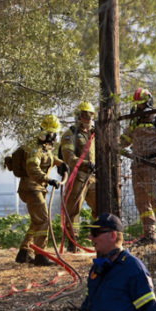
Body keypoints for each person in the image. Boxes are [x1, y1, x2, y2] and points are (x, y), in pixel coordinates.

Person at [120, 88, 156, 245]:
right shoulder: (135, 121)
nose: (139, 108)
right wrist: (114, 142)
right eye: (137, 105)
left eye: (142, 104)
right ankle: (149, 235)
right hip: (137, 165)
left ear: (149, 103)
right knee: (141, 201)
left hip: (153, 165)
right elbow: (125, 140)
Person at [15, 114, 67, 265]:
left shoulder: (44, 147)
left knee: (37, 221)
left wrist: (60, 163)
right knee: (44, 220)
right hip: (31, 188)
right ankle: (40, 255)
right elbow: (33, 169)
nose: (55, 137)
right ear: (48, 133)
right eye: (54, 133)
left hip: (37, 188)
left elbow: (47, 159)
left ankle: (24, 252)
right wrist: (49, 179)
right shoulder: (34, 148)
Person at [61, 102, 97, 252]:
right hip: (78, 177)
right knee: (73, 209)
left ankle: (98, 238)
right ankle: (72, 242)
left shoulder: (95, 134)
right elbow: (69, 157)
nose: (88, 118)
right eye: (85, 115)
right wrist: (87, 164)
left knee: (100, 207)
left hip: (94, 177)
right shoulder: (70, 134)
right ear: (78, 116)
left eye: (91, 115)